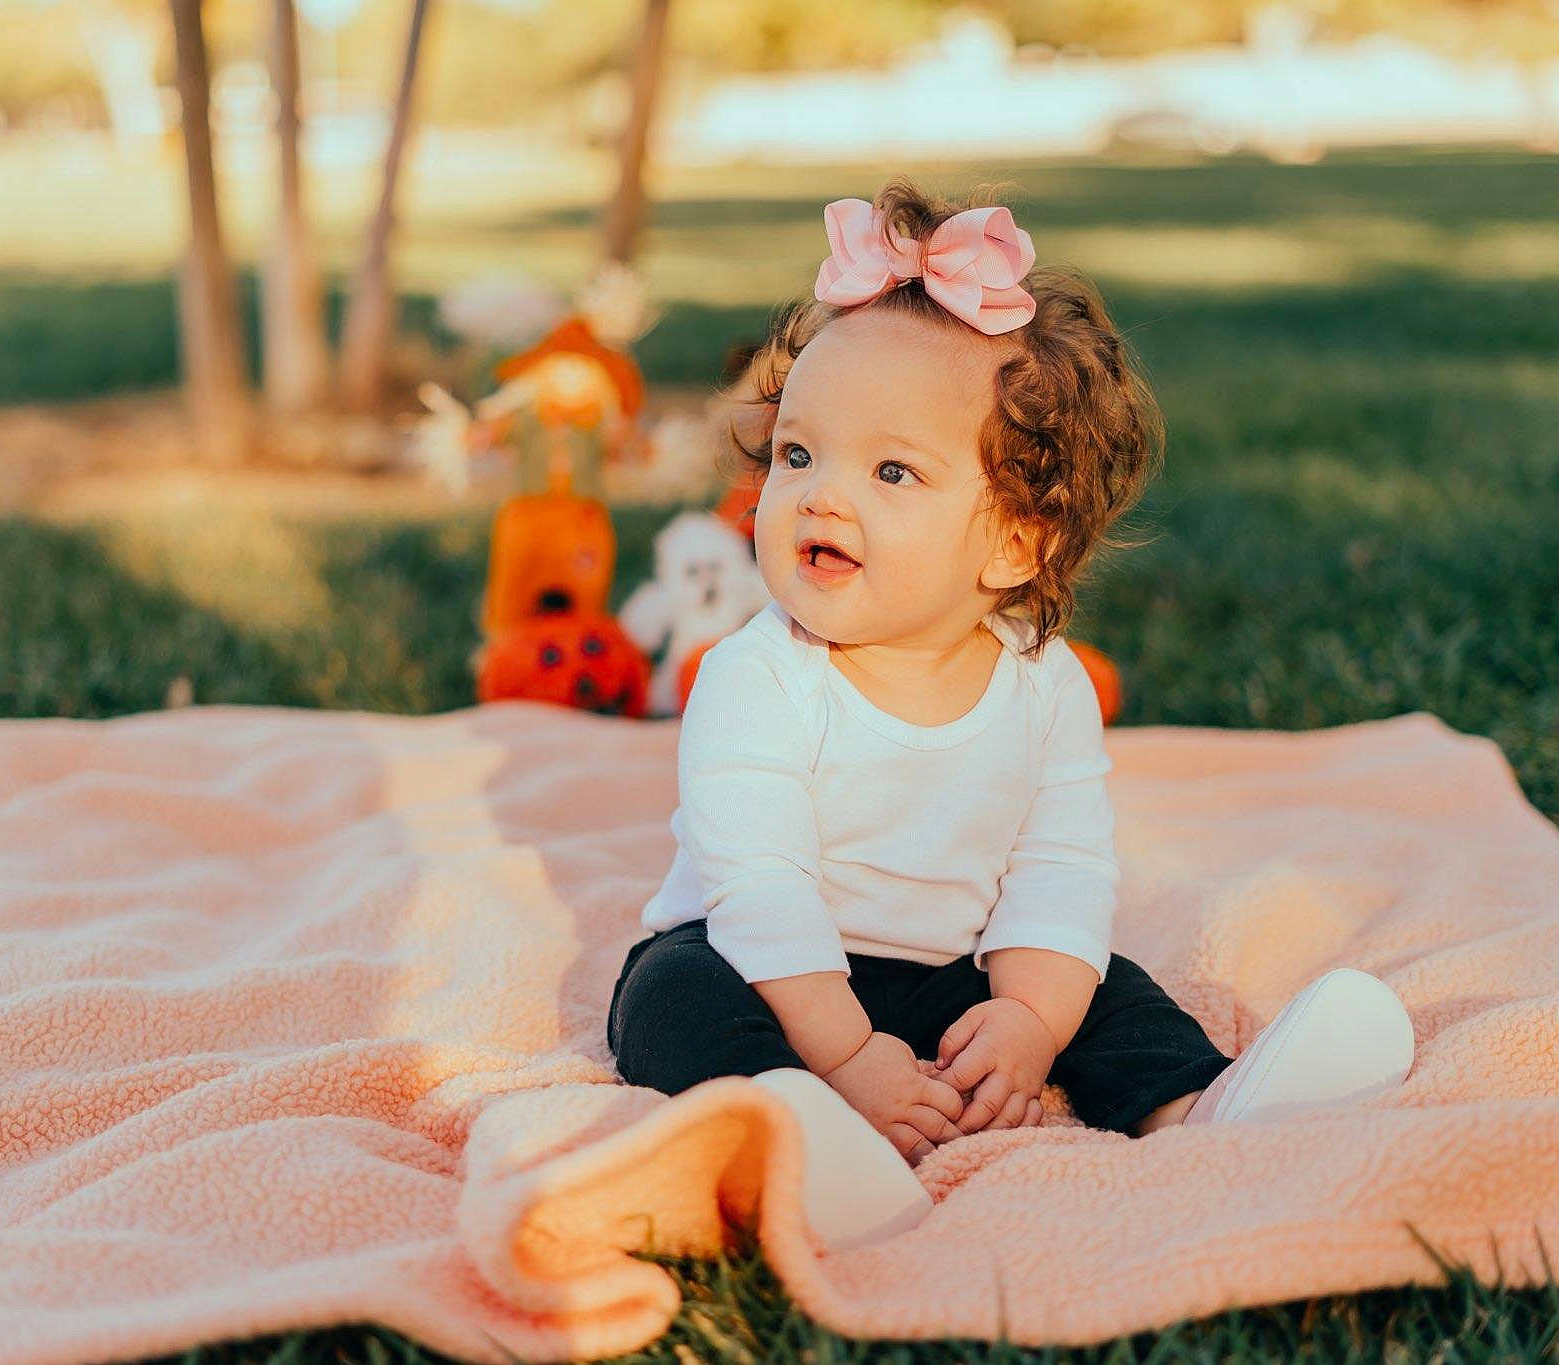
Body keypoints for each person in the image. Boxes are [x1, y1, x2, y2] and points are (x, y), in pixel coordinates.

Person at [605, 180, 1414, 1252]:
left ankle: (1205, 1107)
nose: (817, 494)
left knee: (1101, 984)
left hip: (947, 975)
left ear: (1014, 546)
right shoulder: (756, 679)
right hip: (764, 963)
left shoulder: (1042, 685)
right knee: (672, 1000)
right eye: (797, 454)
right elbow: (760, 889)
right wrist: (847, 1059)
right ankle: (802, 1135)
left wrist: (1028, 1024)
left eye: (891, 469)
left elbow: (1059, 869)